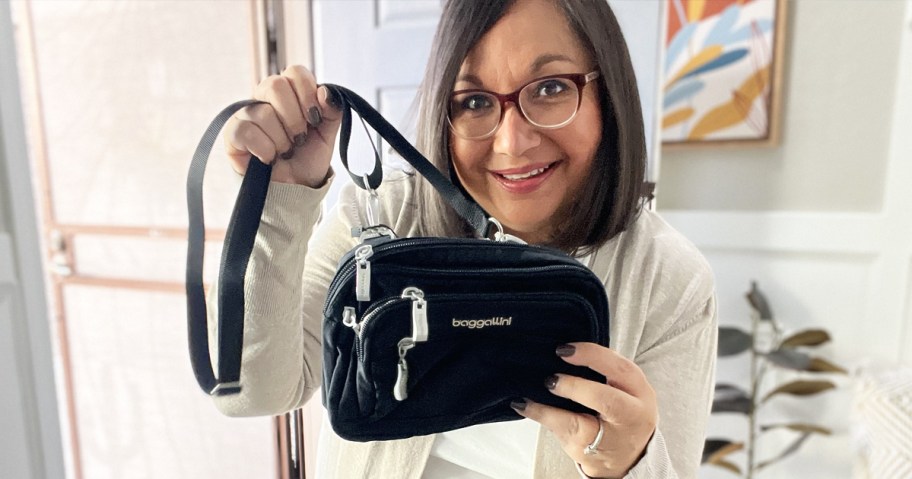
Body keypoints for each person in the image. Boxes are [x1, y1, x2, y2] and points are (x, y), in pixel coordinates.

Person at [210, 0, 717, 478]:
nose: (512, 142)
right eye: (473, 101)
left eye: (549, 88)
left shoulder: (667, 278)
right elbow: (251, 392)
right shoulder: (387, 217)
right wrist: (278, 203)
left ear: (609, 95)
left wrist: (628, 463)